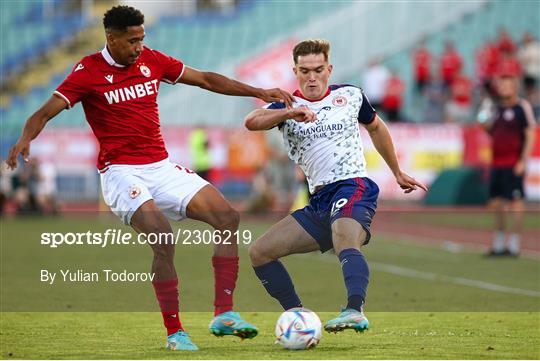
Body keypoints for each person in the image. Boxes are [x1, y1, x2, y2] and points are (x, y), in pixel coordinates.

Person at [6, 5, 294, 351]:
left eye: (142, 39)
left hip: (160, 166)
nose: (139, 46)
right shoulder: (87, 71)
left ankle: (224, 314)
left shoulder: (152, 61)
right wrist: (25, 137)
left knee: (227, 218)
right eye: (131, 41)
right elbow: (44, 112)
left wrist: (258, 92)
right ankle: (175, 333)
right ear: (111, 39)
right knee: (162, 235)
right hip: (120, 171)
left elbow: (205, 79)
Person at [243, 40, 427, 333]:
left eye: (318, 70)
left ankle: (355, 310)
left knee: (344, 237)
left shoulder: (350, 95)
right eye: (305, 71)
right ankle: (298, 317)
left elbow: (376, 127)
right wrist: (289, 114)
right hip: (319, 201)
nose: (312, 77)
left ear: (329, 69)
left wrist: (397, 171)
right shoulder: (285, 106)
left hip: (352, 185)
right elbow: (252, 121)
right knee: (260, 253)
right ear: (295, 71)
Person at [480, 70, 536, 257]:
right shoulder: (496, 109)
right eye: (501, 85)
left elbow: (530, 134)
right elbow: (493, 133)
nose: (503, 88)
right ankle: (498, 243)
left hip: (513, 163)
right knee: (496, 203)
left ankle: (514, 244)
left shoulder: (522, 107)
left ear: (515, 87)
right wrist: (484, 124)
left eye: (507, 84)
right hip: (497, 163)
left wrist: (523, 160)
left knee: (515, 202)